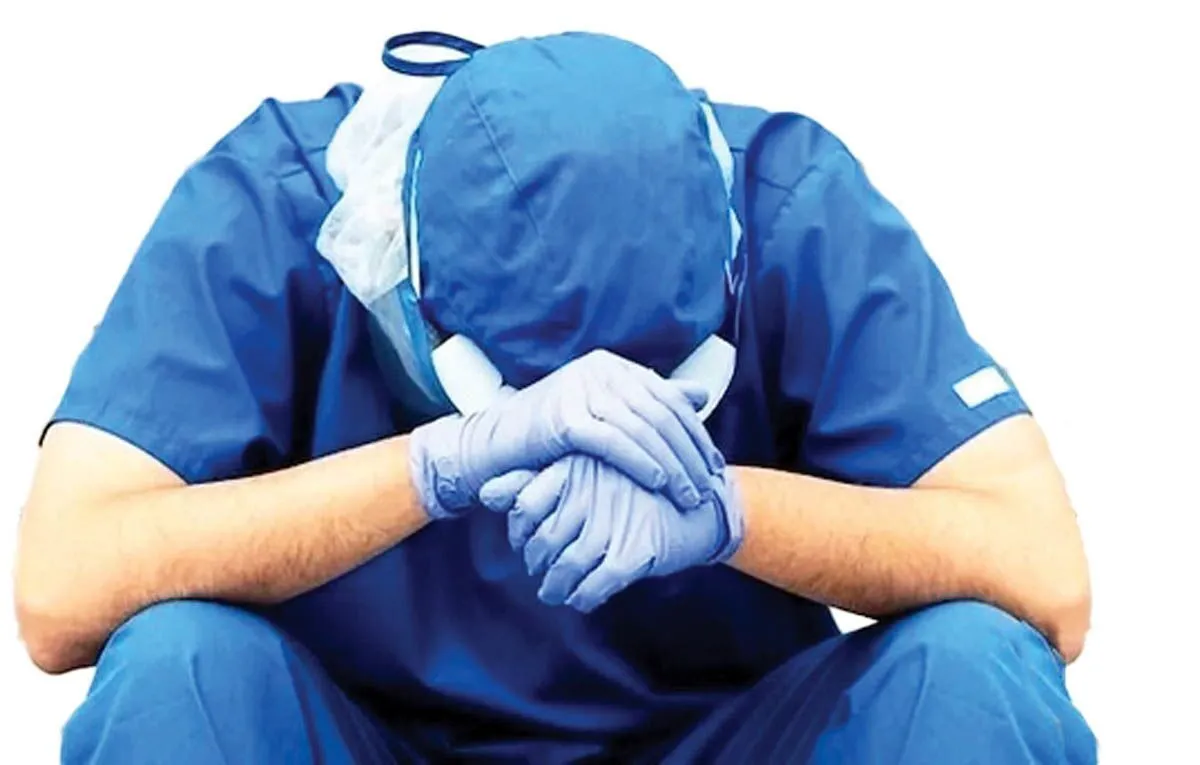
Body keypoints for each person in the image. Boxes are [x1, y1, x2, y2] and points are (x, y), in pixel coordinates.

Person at [14, 30, 1096, 764]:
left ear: (731, 256)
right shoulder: (277, 207)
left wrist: (729, 511)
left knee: (973, 666)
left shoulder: (797, 208)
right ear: (403, 278)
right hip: (365, 735)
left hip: (717, 732)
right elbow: (62, 590)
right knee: (179, 668)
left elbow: (1044, 575)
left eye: (655, 398)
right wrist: (435, 466)